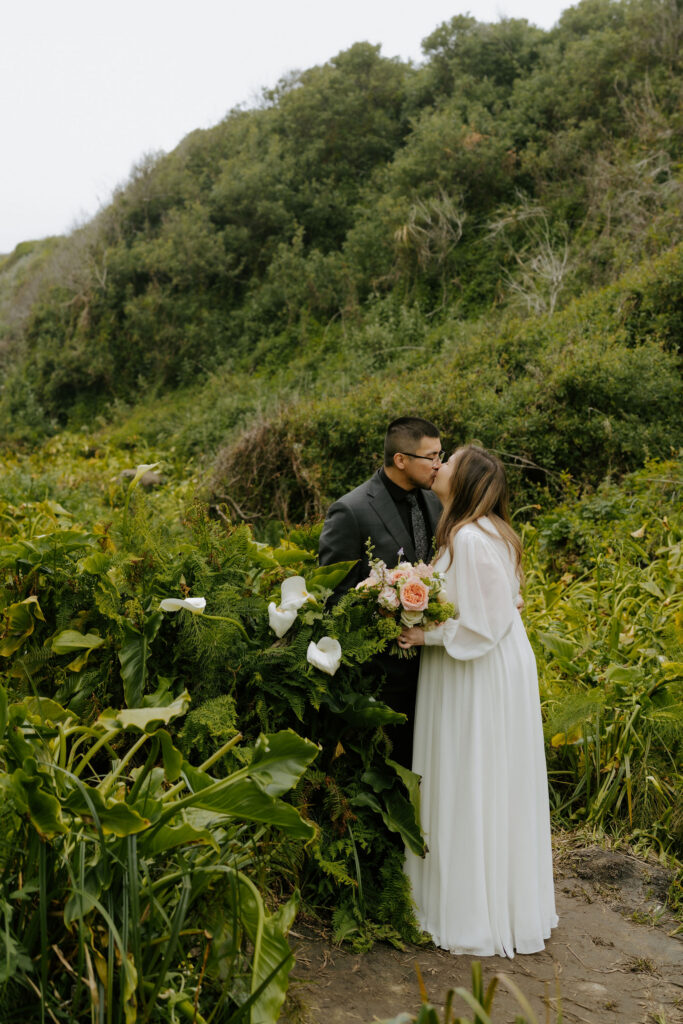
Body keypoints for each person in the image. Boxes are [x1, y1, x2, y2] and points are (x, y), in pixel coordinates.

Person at [400, 444, 558, 957]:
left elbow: (485, 622)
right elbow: (504, 602)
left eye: (450, 461)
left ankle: (471, 912)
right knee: (493, 779)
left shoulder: (468, 536)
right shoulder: (489, 530)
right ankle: (499, 903)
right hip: (497, 661)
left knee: (471, 775)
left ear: (464, 480)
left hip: (478, 666)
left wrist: (426, 637)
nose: (439, 465)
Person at [318, 417, 443, 767]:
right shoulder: (351, 511)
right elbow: (333, 597)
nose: (438, 464)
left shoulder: (435, 501)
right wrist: (383, 611)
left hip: (436, 664)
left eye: (440, 454)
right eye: (430, 456)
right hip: (382, 676)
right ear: (401, 459)